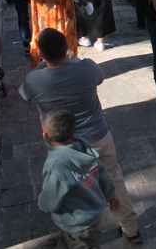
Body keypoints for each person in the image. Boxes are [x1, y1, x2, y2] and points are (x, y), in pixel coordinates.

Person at [22, 30, 144, 245]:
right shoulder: (86, 69)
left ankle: (76, 226)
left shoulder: (35, 80)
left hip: (62, 147)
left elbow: (24, 94)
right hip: (97, 136)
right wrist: (73, 59)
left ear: (41, 53)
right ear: (66, 49)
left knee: (72, 186)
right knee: (114, 178)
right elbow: (100, 76)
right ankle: (131, 229)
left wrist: (44, 64)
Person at [37, 107, 119, 249]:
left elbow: (49, 202)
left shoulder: (56, 165)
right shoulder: (84, 147)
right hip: (92, 215)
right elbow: (102, 173)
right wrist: (110, 194)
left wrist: (42, 204)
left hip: (76, 225)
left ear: (45, 135)